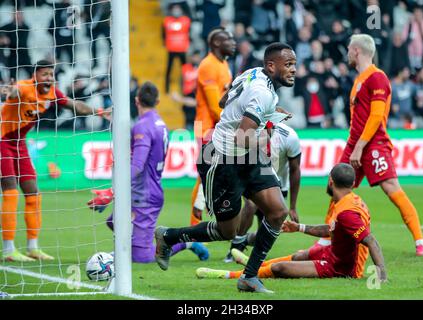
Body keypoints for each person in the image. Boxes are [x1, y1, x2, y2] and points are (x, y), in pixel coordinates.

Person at [155, 42, 297, 294]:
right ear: (271, 65)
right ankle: (168, 236)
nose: (294, 70)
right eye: (288, 65)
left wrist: (269, 113)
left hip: (247, 158)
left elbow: (223, 101)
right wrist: (266, 130)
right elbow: (241, 137)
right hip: (221, 160)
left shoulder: (252, 73)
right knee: (226, 231)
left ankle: (249, 277)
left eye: (294, 64)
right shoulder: (261, 92)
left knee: (277, 212)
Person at [315, 34, 423, 256]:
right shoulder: (358, 79)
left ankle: (420, 241)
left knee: (392, 189)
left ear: (357, 51)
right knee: (336, 188)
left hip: (373, 144)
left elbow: (377, 116)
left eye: (349, 49)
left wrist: (360, 146)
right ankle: (326, 239)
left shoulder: (376, 77)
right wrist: (354, 145)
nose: (347, 53)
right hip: (354, 143)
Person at [196, 163, 387, 283]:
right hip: (334, 254)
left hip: (341, 267)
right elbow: (332, 230)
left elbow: (371, 241)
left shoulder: (346, 212)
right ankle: (253, 264)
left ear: (330, 181)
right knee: (298, 256)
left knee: (280, 269)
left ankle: (230, 275)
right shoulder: (351, 200)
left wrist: (381, 277)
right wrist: (299, 228)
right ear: (352, 184)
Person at [87, 82, 209, 263]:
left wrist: (112, 192)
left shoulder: (143, 126)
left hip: (145, 194)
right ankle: (136, 244)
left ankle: (186, 242)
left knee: (142, 257)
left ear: (136, 101)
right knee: (114, 223)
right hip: (142, 189)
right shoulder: (160, 123)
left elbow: (137, 165)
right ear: (158, 101)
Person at [1, 60, 95, 262]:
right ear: (35, 76)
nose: (49, 78)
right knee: (10, 191)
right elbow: (13, 93)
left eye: (51, 74)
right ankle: (8, 249)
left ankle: (32, 247)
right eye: (45, 74)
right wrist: (10, 93)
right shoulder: (24, 87)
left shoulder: (53, 92)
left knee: (34, 193)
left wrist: (98, 112)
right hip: (2, 141)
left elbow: (74, 106)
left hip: (19, 144)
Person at [224, 122, 301, 262]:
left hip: (278, 185)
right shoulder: (251, 131)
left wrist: (293, 207)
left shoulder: (289, 136)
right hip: (253, 180)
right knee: (250, 205)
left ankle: (245, 241)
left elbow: (295, 169)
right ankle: (236, 246)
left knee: (265, 231)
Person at [190, 27, 235, 226]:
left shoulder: (223, 64)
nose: (233, 42)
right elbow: (214, 105)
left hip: (219, 126)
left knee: (216, 174)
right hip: (206, 126)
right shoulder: (208, 65)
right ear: (217, 43)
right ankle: (194, 229)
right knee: (205, 174)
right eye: (228, 39)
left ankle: (203, 227)